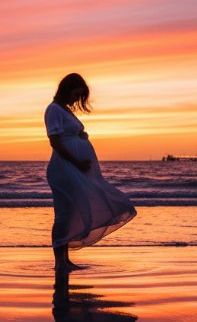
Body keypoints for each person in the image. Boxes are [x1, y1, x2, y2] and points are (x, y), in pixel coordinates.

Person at [44, 73, 136, 271]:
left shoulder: (64, 110)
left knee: (68, 214)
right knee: (62, 214)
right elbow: (55, 142)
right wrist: (77, 160)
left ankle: (65, 261)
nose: (76, 100)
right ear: (66, 89)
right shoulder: (53, 110)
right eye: (75, 95)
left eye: (79, 97)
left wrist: (80, 136)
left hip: (74, 169)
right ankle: (60, 262)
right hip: (65, 168)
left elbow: (66, 135)